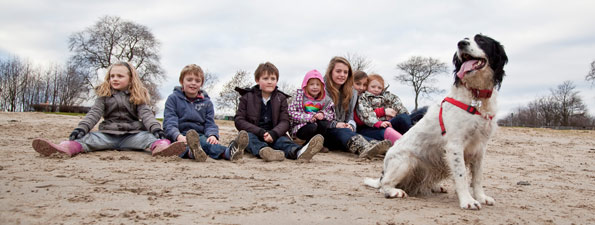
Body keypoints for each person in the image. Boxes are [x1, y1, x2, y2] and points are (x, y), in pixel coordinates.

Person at [32, 62, 185, 157]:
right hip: (107, 135)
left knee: (153, 139)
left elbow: (146, 115)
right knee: (85, 139)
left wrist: (156, 129)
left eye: (120, 76)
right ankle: (63, 149)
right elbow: (94, 114)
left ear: (130, 79)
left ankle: (161, 150)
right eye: (112, 76)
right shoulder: (104, 96)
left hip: (132, 136)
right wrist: (81, 128)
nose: (115, 79)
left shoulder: (137, 96)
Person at [234, 62, 323, 162]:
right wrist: (260, 132)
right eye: (265, 78)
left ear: (277, 81)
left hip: (274, 133)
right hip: (254, 133)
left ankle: (299, 152)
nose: (269, 82)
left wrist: (274, 133)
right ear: (257, 80)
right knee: (249, 139)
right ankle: (265, 151)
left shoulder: (281, 98)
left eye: (273, 79)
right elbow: (239, 120)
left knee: (284, 141)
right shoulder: (247, 97)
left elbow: (285, 121)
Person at [163, 64, 248, 162]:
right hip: (179, 135)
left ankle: (229, 152)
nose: (193, 83)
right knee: (178, 147)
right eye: (189, 80)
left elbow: (210, 123)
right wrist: (178, 136)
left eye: (197, 81)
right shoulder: (173, 99)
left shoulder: (207, 103)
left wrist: (212, 135)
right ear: (182, 81)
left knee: (208, 144)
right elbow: (169, 122)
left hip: (199, 135)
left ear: (201, 83)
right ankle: (192, 152)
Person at [322, 57, 391, 158]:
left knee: (350, 132)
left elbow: (350, 117)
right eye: (338, 71)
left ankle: (381, 148)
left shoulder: (351, 92)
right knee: (343, 131)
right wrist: (336, 124)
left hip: (345, 132)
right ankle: (364, 148)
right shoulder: (322, 90)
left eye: (345, 72)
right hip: (327, 132)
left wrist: (351, 125)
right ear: (330, 72)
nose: (342, 75)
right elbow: (320, 117)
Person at [355, 74, 427, 139]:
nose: (376, 90)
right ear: (367, 87)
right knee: (402, 118)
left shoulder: (387, 96)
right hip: (376, 125)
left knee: (423, 110)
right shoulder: (364, 97)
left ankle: (422, 130)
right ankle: (414, 137)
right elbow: (365, 113)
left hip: (391, 121)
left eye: (379, 88)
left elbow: (397, 105)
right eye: (373, 87)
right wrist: (379, 121)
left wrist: (403, 114)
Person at [288, 69, 335, 142]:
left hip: (318, 127)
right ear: (306, 85)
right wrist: (309, 117)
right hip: (302, 126)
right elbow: (291, 113)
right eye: (311, 84)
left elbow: (331, 114)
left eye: (318, 84)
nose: (315, 87)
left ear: (322, 86)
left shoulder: (326, 100)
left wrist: (323, 114)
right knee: (312, 126)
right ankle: (303, 142)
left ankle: (318, 143)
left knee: (323, 123)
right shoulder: (299, 97)